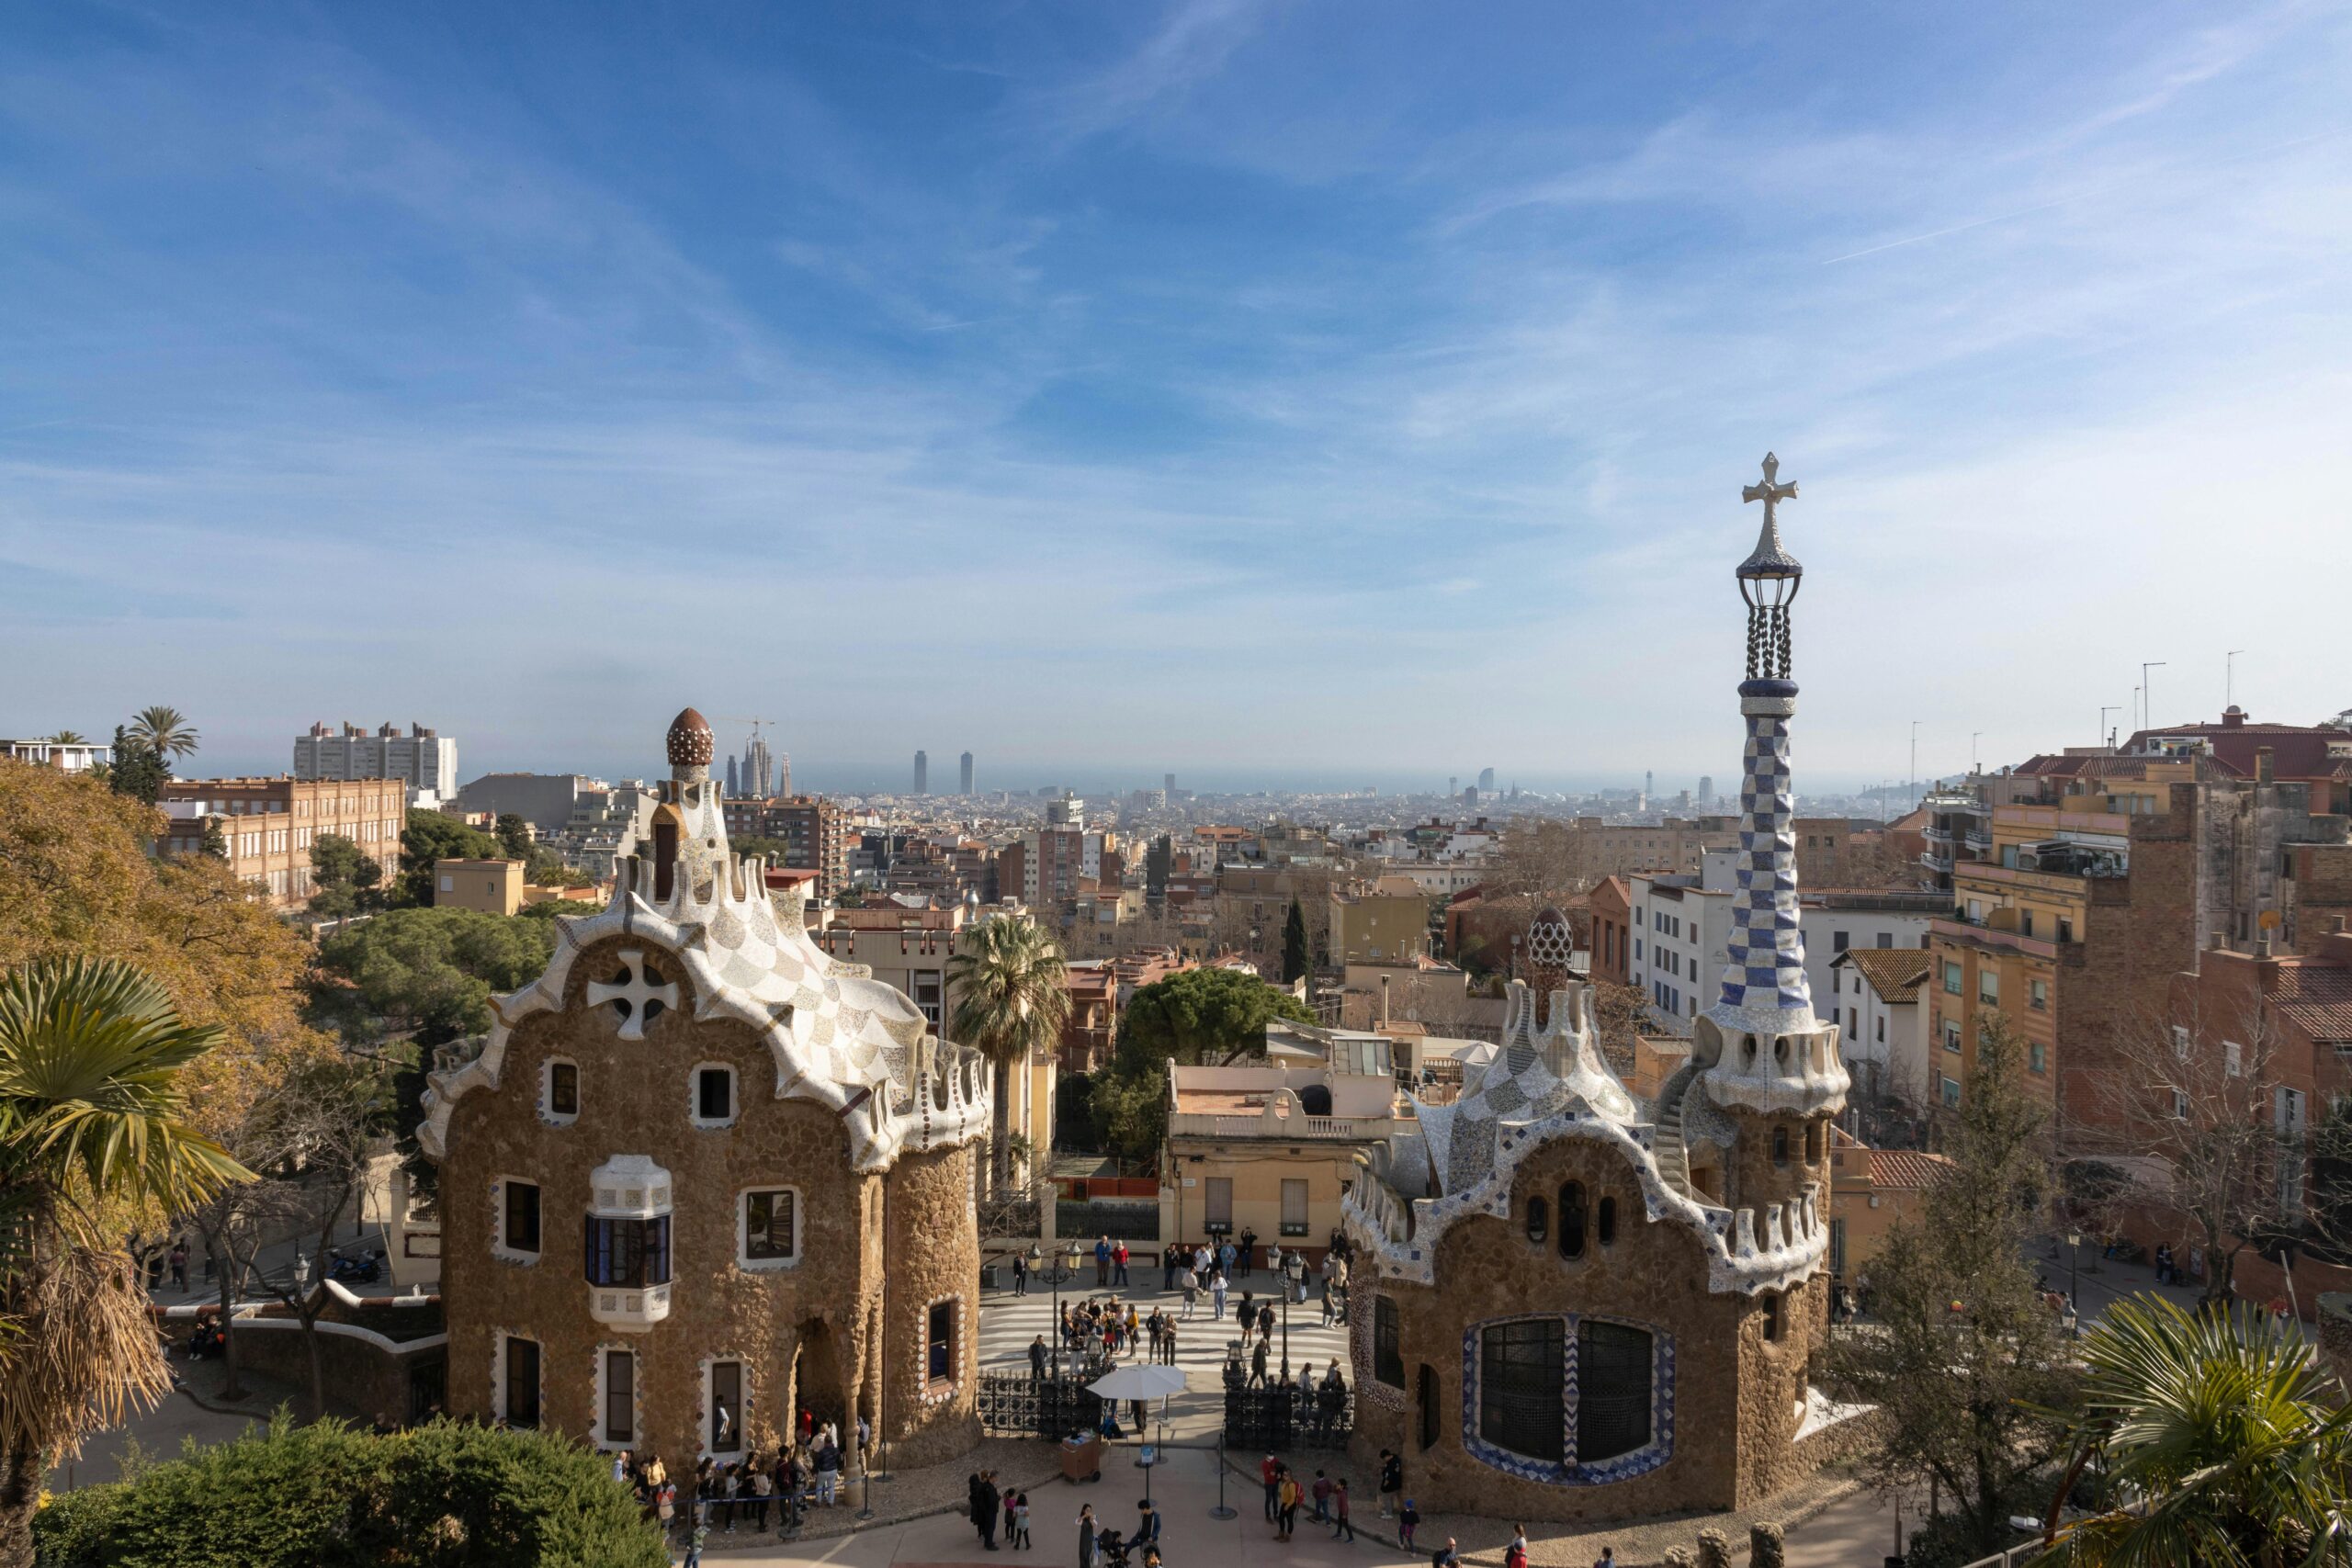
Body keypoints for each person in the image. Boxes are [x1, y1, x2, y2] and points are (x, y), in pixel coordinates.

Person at [1275, 1466, 1302, 1542]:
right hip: (1285, 1503)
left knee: (1289, 1520)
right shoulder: (1285, 1482)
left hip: (1290, 1504)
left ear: (1290, 1476)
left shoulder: (1291, 1485)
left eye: (1286, 1475)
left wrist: (1287, 1505)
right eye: (1283, 1474)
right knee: (1281, 1518)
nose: (1284, 1476)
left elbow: (1293, 1497)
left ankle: (1288, 1537)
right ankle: (1281, 1533)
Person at [815, 1434, 842, 1506]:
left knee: (819, 1485)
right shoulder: (836, 1450)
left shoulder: (822, 1452)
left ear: (825, 1442)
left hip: (823, 1470)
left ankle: (818, 1501)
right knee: (831, 1486)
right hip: (833, 1470)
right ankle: (831, 1502)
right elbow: (839, 1460)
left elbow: (818, 1462)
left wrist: (816, 1470)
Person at [978, 1471, 1002, 1551]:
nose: (997, 1479)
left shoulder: (986, 1485)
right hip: (990, 1511)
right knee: (991, 1527)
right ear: (993, 1477)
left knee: (988, 1527)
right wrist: (998, 1497)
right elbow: (991, 1501)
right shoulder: (990, 1488)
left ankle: (987, 1542)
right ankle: (989, 1544)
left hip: (987, 1511)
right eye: (996, 1477)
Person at [1378, 1450, 1403, 1518]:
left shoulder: (1391, 1464)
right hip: (1396, 1483)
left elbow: (1388, 1477)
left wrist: (1384, 1486)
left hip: (1391, 1484)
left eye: (1384, 1458)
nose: (1384, 1460)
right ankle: (1389, 1510)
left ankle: (1389, 1514)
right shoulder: (1396, 1459)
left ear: (1387, 1456)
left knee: (1386, 1498)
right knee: (1390, 1498)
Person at [1329, 1477, 1354, 1542]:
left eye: (1338, 1484)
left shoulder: (1343, 1494)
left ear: (1342, 1486)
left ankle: (1351, 1539)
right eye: (1337, 1483)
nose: (1337, 1484)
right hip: (1341, 1511)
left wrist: (1344, 1514)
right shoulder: (1339, 1491)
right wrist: (1336, 1485)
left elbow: (1344, 1505)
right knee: (1340, 1522)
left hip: (1343, 1512)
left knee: (1346, 1525)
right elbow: (1333, 1490)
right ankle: (1339, 1534)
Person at [1078, 1503, 1100, 1568]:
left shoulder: (1093, 1519)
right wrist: (1084, 1516)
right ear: (1084, 1511)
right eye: (1087, 1510)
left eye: (1090, 1510)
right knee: (1082, 1558)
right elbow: (1077, 1522)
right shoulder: (1082, 1519)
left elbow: (1095, 1526)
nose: (1089, 1512)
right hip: (1083, 1543)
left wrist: (1091, 1519)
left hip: (1089, 1542)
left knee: (1087, 1558)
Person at [1261, 1452, 1281, 1519]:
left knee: (1275, 1499)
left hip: (1275, 1483)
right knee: (1269, 1499)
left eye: (1272, 1455)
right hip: (1269, 1484)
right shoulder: (1264, 1463)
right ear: (1266, 1455)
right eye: (1270, 1455)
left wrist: (1279, 1474)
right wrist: (1271, 1475)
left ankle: (1275, 1514)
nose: (1272, 1457)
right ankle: (1268, 1515)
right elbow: (1266, 1476)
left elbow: (1280, 1468)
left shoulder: (1275, 1460)